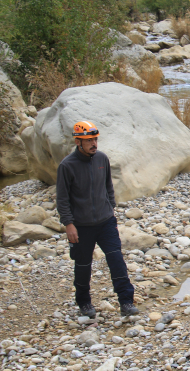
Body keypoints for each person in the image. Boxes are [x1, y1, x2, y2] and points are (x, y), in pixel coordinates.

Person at [56, 121, 139, 318]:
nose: (94, 143)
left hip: (105, 222)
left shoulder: (102, 158)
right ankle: (84, 303)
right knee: (83, 266)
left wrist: (110, 209)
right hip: (81, 227)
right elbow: (62, 198)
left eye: (95, 139)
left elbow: (108, 186)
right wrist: (69, 224)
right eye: (89, 140)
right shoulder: (67, 166)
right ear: (78, 142)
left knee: (116, 260)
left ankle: (126, 302)